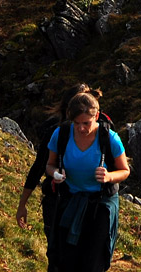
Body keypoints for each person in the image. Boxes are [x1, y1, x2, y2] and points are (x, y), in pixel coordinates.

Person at [45, 91, 130, 272]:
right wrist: (56, 173)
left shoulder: (110, 138)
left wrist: (109, 176)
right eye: (76, 123)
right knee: (65, 260)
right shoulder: (61, 135)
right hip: (71, 200)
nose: (81, 128)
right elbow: (49, 166)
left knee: (92, 262)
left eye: (86, 123)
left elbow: (125, 170)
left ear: (96, 116)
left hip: (101, 204)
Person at [17, 83, 97, 272]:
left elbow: (38, 168)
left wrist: (23, 204)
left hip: (60, 202)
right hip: (80, 203)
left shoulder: (59, 131)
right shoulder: (59, 134)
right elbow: (41, 167)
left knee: (59, 257)